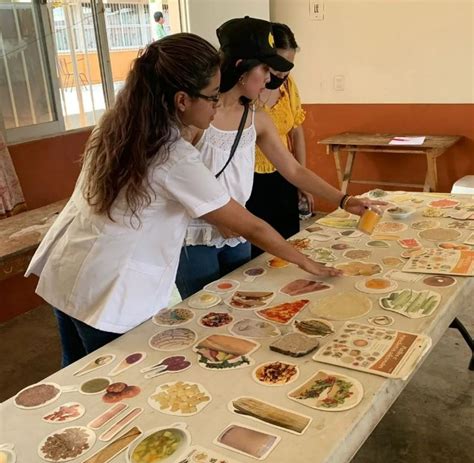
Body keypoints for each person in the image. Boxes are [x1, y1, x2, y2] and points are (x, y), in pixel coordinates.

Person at [25, 33, 342, 367]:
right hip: (108, 289)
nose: (217, 104)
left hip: (68, 268)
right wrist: (306, 262)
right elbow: (249, 226)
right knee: (118, 383)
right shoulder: (172, 155)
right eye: (210, 97)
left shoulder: (116, 123)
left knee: (75, 378)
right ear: (181, 101)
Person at [176, 17, 384, 299]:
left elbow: (294, 171)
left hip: (239, 232)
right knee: (202, 312)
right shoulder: (195, 117)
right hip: (195, 235)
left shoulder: (256, 118)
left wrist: (345, 201)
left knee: (241, 304)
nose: (270, 79)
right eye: (265, 69)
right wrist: (216, 218)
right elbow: (175, 183)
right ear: (241, 68)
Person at [247, 22, 311, 258]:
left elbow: (296, 131)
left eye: (288, 68)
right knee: (257, 252)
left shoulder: (288, 87)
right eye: (277, 67)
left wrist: (302, 181)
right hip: (249, 179)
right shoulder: (246, 92)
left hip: (283, 173)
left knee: (289, 245)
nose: (282, 75)